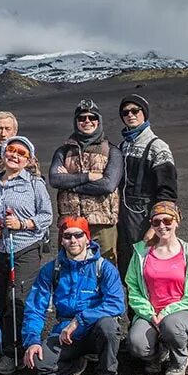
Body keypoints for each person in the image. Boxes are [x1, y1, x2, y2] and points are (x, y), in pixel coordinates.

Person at [22, 217, 125, 375]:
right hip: (67, 335)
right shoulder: (51, 270)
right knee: (38, 363)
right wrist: (32, 340)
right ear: (62, 240)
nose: (73, 240)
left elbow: (116, 304)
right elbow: (36, 307)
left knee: (109, 326)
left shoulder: (104, 268)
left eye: (79, 235)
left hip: (95, 330)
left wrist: (80, 320)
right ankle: (76, 365)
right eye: (67, 236)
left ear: (88, 238)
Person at [0, 135, 53, 374]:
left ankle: (18, 351)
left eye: (21, 153)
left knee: (17, 301)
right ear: (4, 153)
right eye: (11, 150)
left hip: (25, 249)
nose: (15, 155)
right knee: (0, 300)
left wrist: (22, 223)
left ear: (28, 159)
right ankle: (9, 345)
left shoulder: (34, 183)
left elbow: (47, 215)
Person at [125, 201, 188, 375]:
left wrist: (166, 312)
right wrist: (149, 314)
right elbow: (132, 288)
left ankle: (179, 360)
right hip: (151, 313)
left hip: (183, 313)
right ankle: (156, 354)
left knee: (172, 325)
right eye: (156, 222)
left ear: (177, 221)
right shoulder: (141, 253)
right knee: (135, 343)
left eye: (167, 220)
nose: (162, 226)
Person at [49, 99, 123, 267]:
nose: (87, 121)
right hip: (71, 223)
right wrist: (89, 176)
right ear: (76, 122)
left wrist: (70, 182)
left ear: (99, 121)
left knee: (104, 268)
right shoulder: (63, 151)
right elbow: (55, 179)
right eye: (82, 118)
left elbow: (108, 185)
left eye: (92, 117)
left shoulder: (112, 151)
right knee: (68, 268)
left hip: (102, 224)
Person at [0, 111, 41, 295]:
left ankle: (14, 321)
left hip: (20, 236)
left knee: (18, 285)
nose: (3, 133)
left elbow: (37, 196)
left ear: (15, 130)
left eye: (7, 129)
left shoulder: (28, 159)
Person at [116, 94, 178, 282]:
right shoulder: (122, 146)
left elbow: (167, 193)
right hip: (122, 218)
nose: (130, 115)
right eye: (125, 112)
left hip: (145, 217)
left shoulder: (158, 147)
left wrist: (154, 227)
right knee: (127, 271)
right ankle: (132, 311)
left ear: (145, 113)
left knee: (149, 269)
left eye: (136, 111)